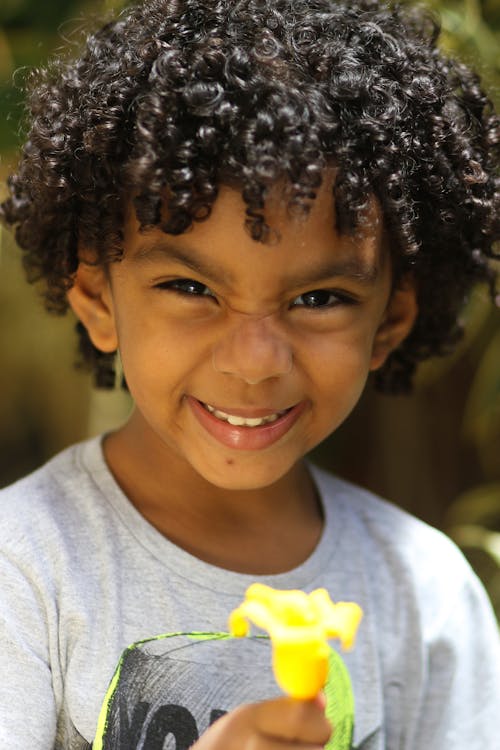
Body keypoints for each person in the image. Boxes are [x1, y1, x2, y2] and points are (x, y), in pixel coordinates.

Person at [1, 0, 499, 747]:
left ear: (389, 322)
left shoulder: (424, 595)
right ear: (99, 301)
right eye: (192, 289)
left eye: (320, 299)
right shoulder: (26, 572)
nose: (256, 361)